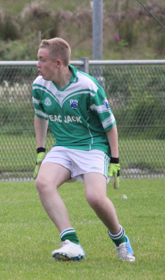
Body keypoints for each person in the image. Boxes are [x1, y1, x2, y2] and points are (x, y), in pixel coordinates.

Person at [32, 37, 135, 262]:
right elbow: (40, 117)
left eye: (42, 60)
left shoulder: (88, 86)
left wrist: (115, 160)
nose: (37, 65)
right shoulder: (39, 85)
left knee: (95, 198)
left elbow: (110, 124)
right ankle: (71, 243)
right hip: (63, 146)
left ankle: (120, 239)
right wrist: (41, 148)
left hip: (93, 147)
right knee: (43, 182)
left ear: (58, 63)